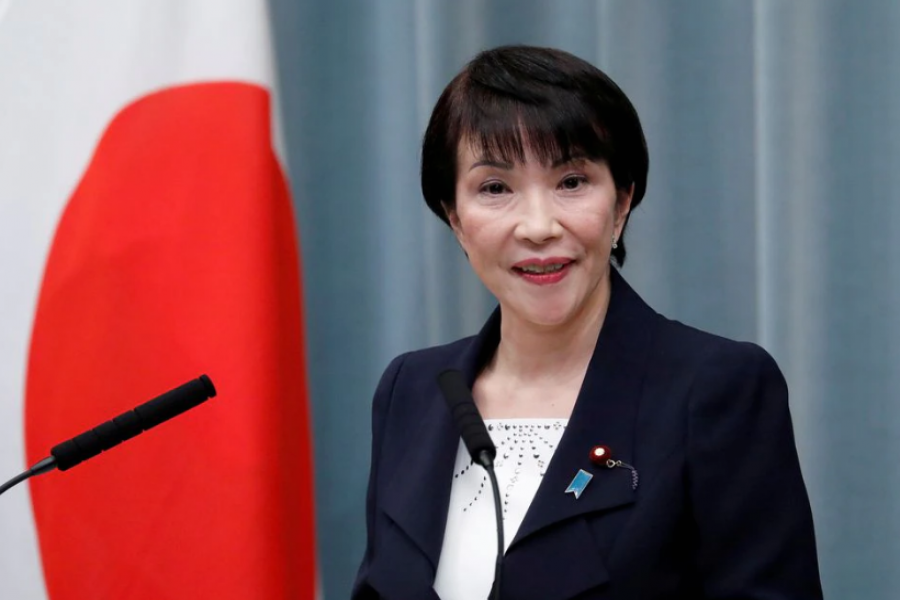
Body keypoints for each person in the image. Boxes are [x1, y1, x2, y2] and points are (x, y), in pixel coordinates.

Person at [352, 45, 822, 600]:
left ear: (622, 202)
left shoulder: (716, 388)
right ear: (455, 217)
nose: (538, 226)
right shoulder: (413, 392)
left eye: (571, 181)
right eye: (495, 188)